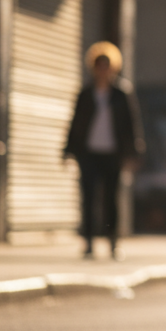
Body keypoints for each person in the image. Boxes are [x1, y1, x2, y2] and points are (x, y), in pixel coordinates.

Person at [64, 42, 143, 260]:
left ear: (113, 67)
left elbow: (131, 125)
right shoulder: (86, 94)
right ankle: (88, 241)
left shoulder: (121, 93)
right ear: (93, 67)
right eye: (99, 65)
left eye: (106, 65)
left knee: (111, 199)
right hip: (88, 153)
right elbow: (75, 123)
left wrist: (133, 153)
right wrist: (68, 150)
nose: (103, 69)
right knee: (87, 198)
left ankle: (112, 241)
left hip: (113, 153)